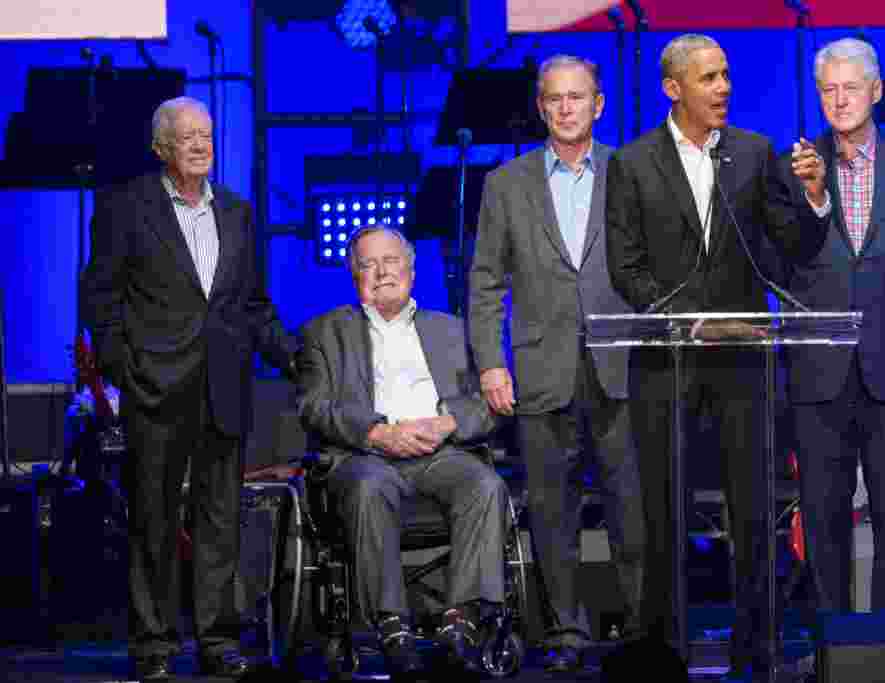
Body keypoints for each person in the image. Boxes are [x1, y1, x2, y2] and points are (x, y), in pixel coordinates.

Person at [604, 34, 829, 679]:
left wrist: (814, 196)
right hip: (668, 361)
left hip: (743, 361)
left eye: (726, 75)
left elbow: (795, 246)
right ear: (673, 89)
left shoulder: (755, 155)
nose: (724, 87)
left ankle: (754, 652)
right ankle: (666, 653)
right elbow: (627, 268)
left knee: (753, 509)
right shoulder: (634, 162)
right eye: (709, 78)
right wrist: (690, 321)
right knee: (665, 511)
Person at [79, 96, 300, 679]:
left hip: (224, 386)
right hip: (156, 387)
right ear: (161, 149)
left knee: (219, 519)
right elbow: (100, 298)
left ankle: (216, 640)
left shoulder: (238, 212)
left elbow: (251, 305)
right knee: (152, 521)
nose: (201, 145)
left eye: (206, 134)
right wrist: (123, 370)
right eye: (187, 137)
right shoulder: (125, 207)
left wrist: (299, 358)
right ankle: (153, 646)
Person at [468, 54, 645, 672]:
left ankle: (639, 632)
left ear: (598, 104)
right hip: (541, 372)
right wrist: (491, 364)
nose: (566, 108)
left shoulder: (631, 171)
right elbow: (486, 282)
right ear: (541, 107)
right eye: (554, 98)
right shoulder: (506, 183)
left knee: (633, 512)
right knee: (552, 514)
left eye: (578, 97)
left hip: (622, 369)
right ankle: (566, 635)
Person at [781, 38, 885, 618]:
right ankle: (833, 645)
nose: (840, 99)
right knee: (823, 518)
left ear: (876, 91)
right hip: (818, 371)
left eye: (851, 87)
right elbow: (782, 259)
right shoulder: (795, 168)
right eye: (828, 89)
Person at [296, 227, 508, 678]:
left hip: (439, 452)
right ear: (355, 277)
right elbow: (314, 407)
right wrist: (376, 434)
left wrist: (448, 422)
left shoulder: (452, 330)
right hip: (367, 456)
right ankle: (392, 627)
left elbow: (490, 403)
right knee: (370, 486)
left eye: (391, 260)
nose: (382, 271)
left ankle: (462, 622)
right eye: (369, 264)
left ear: (411, 270)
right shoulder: (324, 333)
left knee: (485, 485)